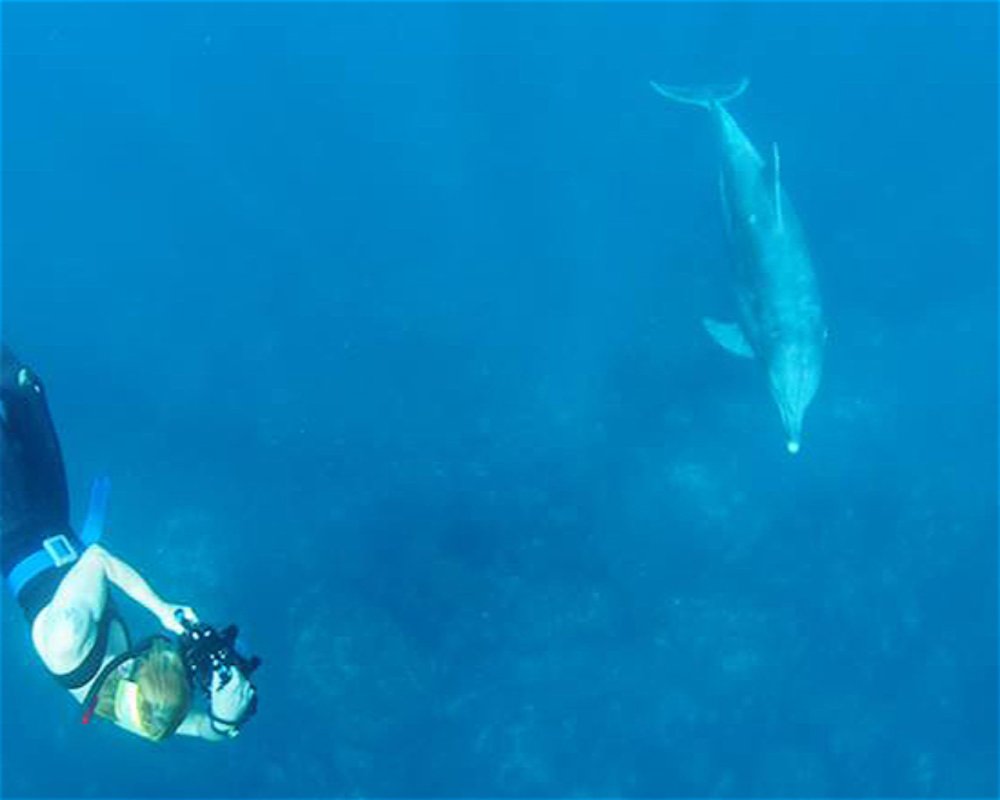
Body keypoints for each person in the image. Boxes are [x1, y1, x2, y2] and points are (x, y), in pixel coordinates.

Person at [1, 345, 256, 742]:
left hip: (11, 524)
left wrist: (161, 609)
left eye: (154, 659)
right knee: (23, 386)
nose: (154, 652)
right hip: (53, 522)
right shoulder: (142, 712)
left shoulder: (67, 639)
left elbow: (97, 561)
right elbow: (196, 728)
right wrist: (225, 720)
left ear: (132, 673)